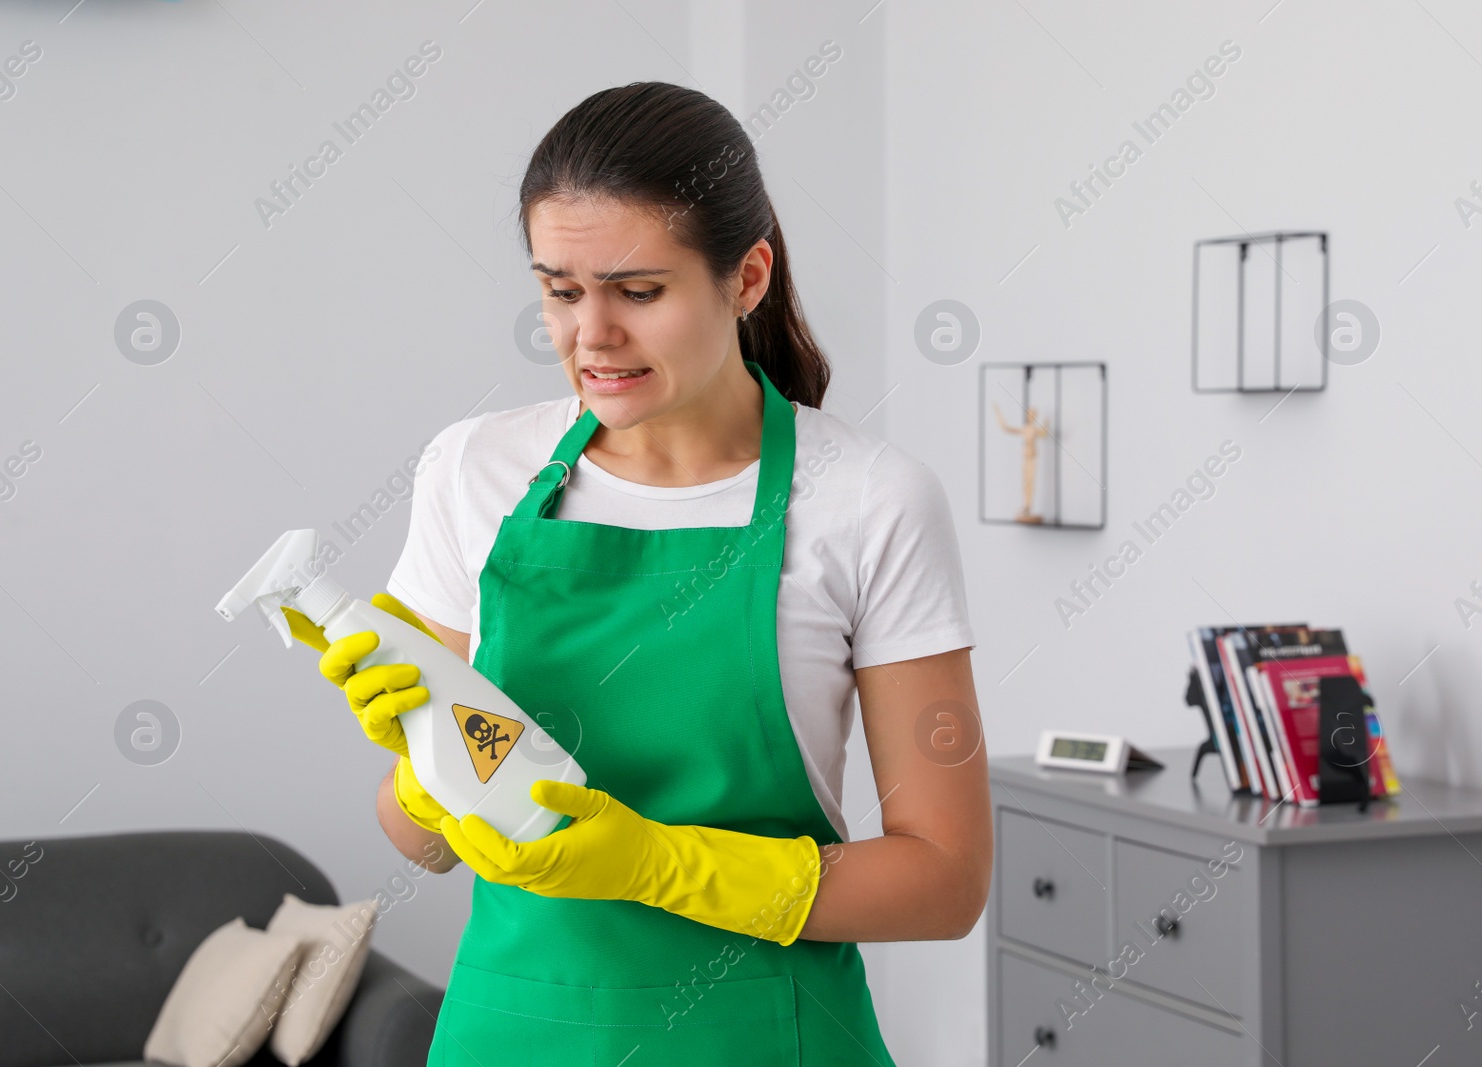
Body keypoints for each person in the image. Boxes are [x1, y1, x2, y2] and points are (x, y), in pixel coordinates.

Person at [294, 81, 991, 1065]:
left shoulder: (869, 500)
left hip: (764, 1034)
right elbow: (425, 845)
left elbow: (944, 881)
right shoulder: (473, 470)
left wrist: (658, 862)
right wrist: (424, 769)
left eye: (638, 290)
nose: (591, 338)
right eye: (559, 289)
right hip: (514, 1031)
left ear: (747, 278)